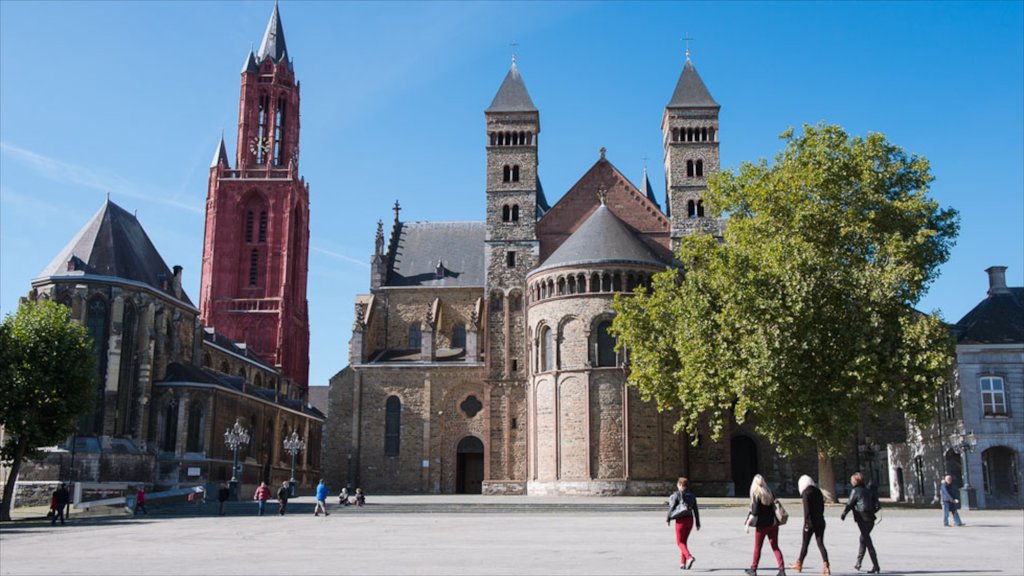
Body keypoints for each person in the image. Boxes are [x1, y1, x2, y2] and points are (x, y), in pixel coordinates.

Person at [744, 474, 785, 576]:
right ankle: (782, 569)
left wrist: (747, 524)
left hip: (762, 526)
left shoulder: (756, 494)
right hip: (773, 524)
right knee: (775, 547)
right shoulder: (769, 492)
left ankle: (753, 569)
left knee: (758, 547)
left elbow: (755, 513)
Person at [790, 475, 829, 575]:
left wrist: (807, 524)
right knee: (820, 543)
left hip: (810, 523)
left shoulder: (806, 494)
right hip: (820, 521)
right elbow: (822, 508)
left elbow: (807, 511)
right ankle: (826, 566)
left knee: (805, 544)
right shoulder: (818, 491)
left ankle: (799, 564)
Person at [841, 472, 879, 574]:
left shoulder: (855, 491)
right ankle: (858, 562)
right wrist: (871, 511)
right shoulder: (869, 490)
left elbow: (849, 504)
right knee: (863, 539)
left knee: (867, 541)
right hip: (870, 519)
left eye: (852, 480)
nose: (851, 482)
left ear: (855, 481)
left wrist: (844, 514)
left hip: (862, 518)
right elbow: (878, 505)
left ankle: (876, 565)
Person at [666, 477, 700, 570]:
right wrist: (698, 523)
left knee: (679, 542)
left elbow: (671, 507)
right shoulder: (692, 496)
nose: (677, 486)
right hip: (690, 520)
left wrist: (668, 519)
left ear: (681, 485)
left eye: (678, 484)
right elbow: (696, 510)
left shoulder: (677, 494)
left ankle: (689, 557)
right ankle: (682, 563)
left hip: (681, 521)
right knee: (684, 541)